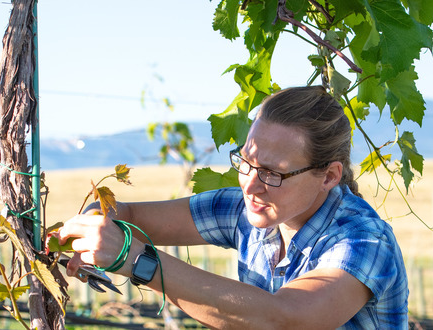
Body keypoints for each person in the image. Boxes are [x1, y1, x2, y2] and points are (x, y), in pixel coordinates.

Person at [57, 86, 409, 328]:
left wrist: (136, 261)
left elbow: (282, 320)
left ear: (329, 176)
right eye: (245, 162)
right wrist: (95, 226)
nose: (250, 184)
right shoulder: (250, 208)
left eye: (272, 173)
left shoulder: (363, 241)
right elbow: (130, 216)